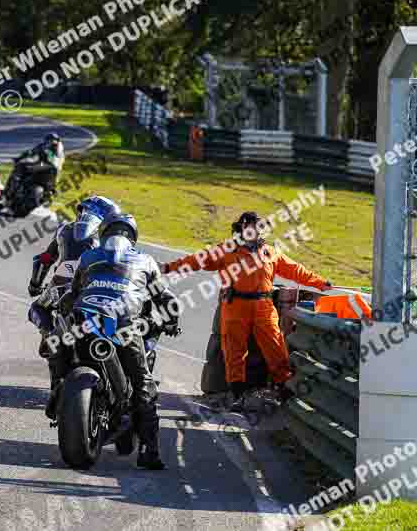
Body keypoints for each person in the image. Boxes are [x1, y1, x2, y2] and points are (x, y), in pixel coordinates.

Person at [160, 211, 333, 409]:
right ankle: (237, 394)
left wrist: (320, 283)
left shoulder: (270, 252)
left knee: (276, 348)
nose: (256, 230)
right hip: (235, 307)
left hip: (264, 308)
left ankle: (283, 391)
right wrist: (168, 268)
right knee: (234, 352)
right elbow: (195, 261)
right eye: (251, 226)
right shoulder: (226, 250)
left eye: (260, 227)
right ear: (242, 227)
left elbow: (295, 270)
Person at [63, 213, 175, 470]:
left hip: (84, 323)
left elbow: (74, 292)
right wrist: (171, 321)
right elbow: (166, 298)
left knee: (61, 349)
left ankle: (58, 390)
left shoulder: (87, 256)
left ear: (103, 234)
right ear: (132, 236)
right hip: (123, 326)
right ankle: (149, 450)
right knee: (144, 383)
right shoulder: (145, 260)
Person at [27, 196, 120, 418]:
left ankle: (51, 343)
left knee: (36, 309)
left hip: (62, 285)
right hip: (100, 289)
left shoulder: (64, 229)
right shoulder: (114, 237)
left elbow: (44, 259)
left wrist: (34, 284)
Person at [1, 133, 65, 204]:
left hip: (50, 172)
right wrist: (20, 157)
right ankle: (6, 193)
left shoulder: (59, 153)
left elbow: (58, 164)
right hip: (41, 167)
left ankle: (43, 197)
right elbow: (31, 152)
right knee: (20, 166)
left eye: (53, 141)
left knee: (52, 189)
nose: (52, 142)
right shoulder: (43, 146)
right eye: (50, 140)